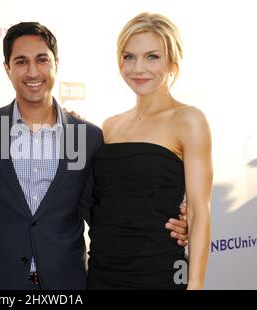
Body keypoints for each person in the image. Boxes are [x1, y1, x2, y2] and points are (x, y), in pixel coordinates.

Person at [0, 21, 188, 290]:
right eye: (21, 61)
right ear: (7, 68)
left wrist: (172, 222)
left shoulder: (87, 137)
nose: (32, 71)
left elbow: (106, 208)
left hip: (67, 283)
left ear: (56, 63)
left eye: (42, 59)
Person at [87, 12, 212, 290]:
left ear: (172, 62)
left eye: (152, 56)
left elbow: (199, 211)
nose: (138, 68)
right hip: (102, 268)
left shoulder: (189, 120)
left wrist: (195, 286)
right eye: (129, 56)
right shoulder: (109, 126)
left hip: (158, 268)